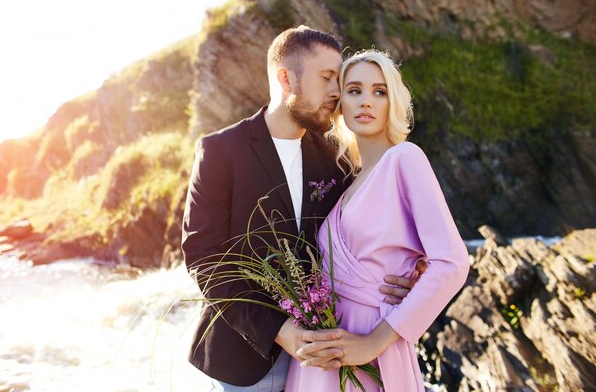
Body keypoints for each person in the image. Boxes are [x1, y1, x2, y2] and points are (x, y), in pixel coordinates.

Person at [181, 27, 425, 392]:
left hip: (326, 358)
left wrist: (411, 271)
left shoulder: (338, 159)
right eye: (327, 78)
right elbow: (205, 259)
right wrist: (282, 333)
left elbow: (358, 236)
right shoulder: (220, 152)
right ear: (285, 78)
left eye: (338, 80)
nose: (337, 92)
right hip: (243, 360)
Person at [284, 50, 470, 391]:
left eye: (379, 92)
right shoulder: (347, 183)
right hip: (325, 352)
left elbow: (453, 263)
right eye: (354, 90)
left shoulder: (405, 159)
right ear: (340, 103)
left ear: (392, 102)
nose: (366, 101)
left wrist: (374, 341)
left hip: (372, 348)